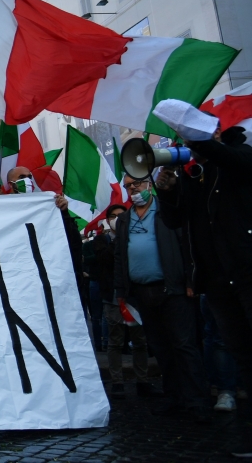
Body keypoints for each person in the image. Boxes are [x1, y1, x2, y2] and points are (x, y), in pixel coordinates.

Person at [157, 125, 252, 453]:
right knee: (242, 354)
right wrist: (168, 193)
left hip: (245, 272)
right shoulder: (193, 175)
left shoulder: (238, 157)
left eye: (194, 139)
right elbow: (175, 221)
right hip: (215, 280)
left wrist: (198, 142)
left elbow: (226, 157)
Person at [113, 173, 208, 421]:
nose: (134, 189)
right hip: (143, 293)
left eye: (137, 184)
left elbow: (186, 245)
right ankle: (173, 397)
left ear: (149, 183)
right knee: (162, 349)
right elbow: (120, 257)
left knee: (185, 346)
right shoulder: (124, 219)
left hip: (173, 289)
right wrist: (122, 292)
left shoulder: (167, 210)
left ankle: (196, 401)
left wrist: (190, 281)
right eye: (128, 186)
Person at [5, 166, 88, 314]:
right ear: (11, 184)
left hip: (48, 281)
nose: (28, 180)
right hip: (20, 285)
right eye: (22, 177)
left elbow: (72, 243)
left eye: (30, 176)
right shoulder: (2, 210)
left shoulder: (47, 206)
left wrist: (64, 214)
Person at [95, 204, 156, 400]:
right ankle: (117, 381)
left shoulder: (135, 237)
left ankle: (143, 380)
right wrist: (117, 239)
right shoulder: (101, 240)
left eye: (122, 217)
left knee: (139, 341)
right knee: (115, 341)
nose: (117, 220)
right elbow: (104, 260)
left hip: (133, 297)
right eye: (114, 217)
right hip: (112, 297)